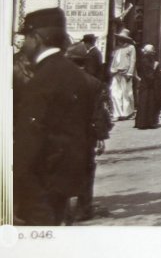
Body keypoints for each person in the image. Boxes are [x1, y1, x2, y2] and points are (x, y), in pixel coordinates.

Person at [13, 8, 102, 225]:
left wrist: (16, 186)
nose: (24, 45)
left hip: (39, 184)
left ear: (37, 39)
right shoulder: (76, 75)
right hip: (64, 182)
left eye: (26, 39)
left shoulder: (42, 79)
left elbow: (30, 138)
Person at [64, 42, 113, 222]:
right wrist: (101, 137)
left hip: (62, 135)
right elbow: (98, 113)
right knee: (86, 169)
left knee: (62, 168)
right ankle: (83, 209)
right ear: (84, 62)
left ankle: (64, 209)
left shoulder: (60, 83)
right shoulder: (94, 83)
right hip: (86, 136)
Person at [109, 28, 137, 121]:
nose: (120, 40)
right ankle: (117, 113)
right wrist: (112, 70)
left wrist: (130, 72)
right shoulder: (117, 48)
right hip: (116, 72)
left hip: (125, 73)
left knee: (127, 93)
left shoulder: (130, 48)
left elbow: (133, 61)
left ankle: (127, 113)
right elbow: (114, 61)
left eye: (122, 39)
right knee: (115, 93)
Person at [134, 44, 161, 129]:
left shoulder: (146, 58)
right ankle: (147, 122)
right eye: (152, 51)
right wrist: (155, 67)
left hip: (147, 85)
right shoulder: (146, 59)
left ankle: (145, 122)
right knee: (148, 103)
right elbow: (149, 73)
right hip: (148, 85)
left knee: (146, 103)